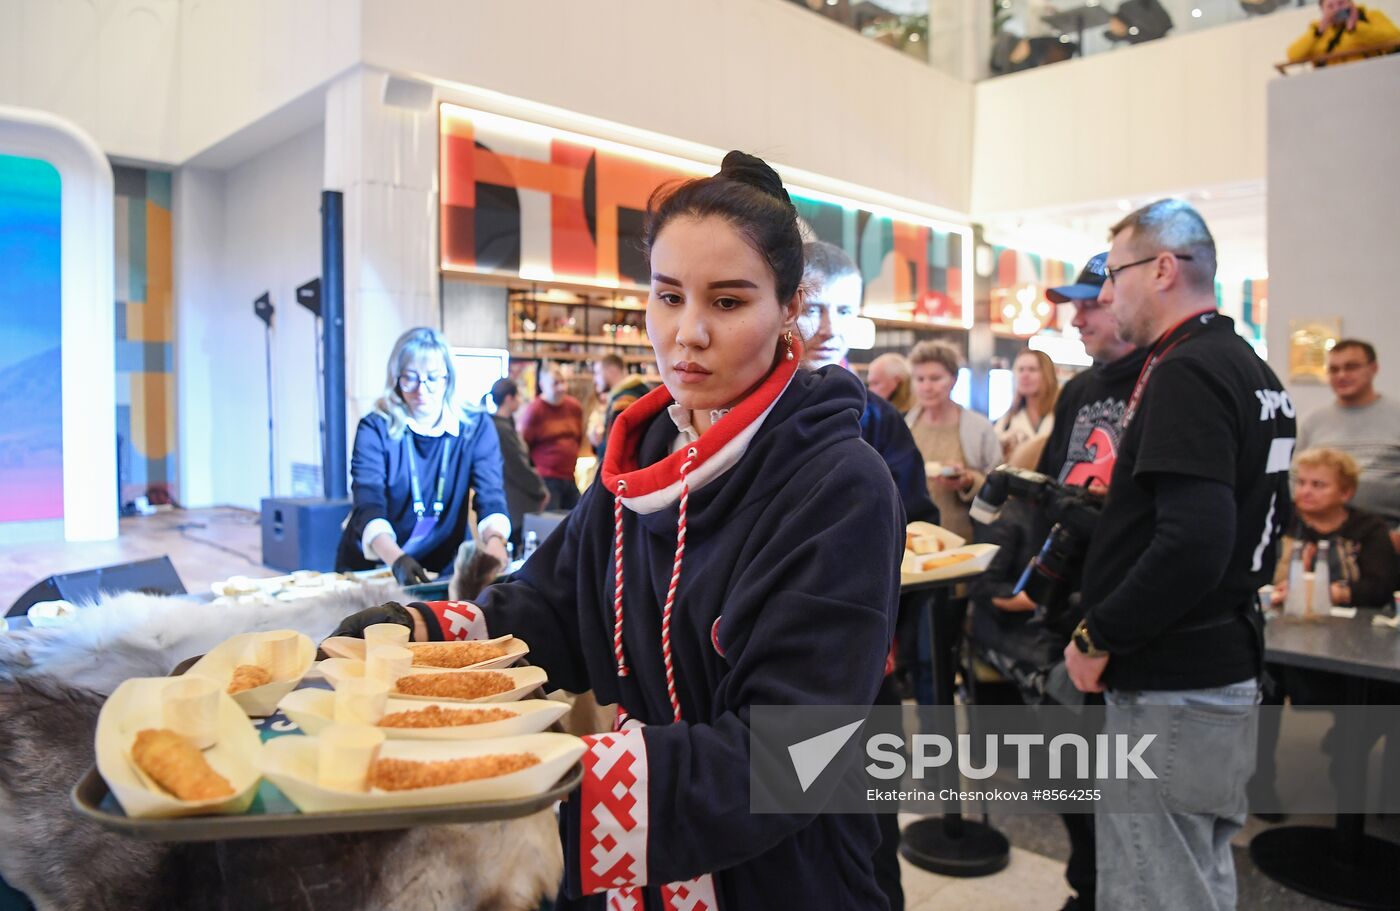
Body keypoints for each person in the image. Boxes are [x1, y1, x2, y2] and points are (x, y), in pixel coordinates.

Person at [330, 152, 904, 910]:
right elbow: (555, 606)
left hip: (775, 867)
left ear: (788, 308)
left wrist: (535, 795)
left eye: (728, 302)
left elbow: (789, 752)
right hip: (640, 857)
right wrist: (420, 631)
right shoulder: (647, 455)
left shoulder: (840, 484)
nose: (687, 333)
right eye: (669, 297)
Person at [1064, 200, 1295, 910]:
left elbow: (1195, 540)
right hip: (1218, 667)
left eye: (1115, 274)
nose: (1106, 294)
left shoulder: (1189, 371)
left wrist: (1097, 633)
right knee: (1193, 878)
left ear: (1163, 268)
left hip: (1173, 679)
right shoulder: (1251, 368)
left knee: (1154, 889)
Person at [972, 252, 1142, 911]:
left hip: (1134, 621)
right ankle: (1087, 886)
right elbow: (1059, 499)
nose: (1077, 317)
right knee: (1072, 776)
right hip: (1072, 615)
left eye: (1092, 303)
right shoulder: (1082, 389)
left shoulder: (1167, 384)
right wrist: (1038, 589)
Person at [801, 239, 938, 911]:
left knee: (869, 839)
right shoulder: (737, 416)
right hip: (764, 678)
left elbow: (922, 523)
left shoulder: (878, 419)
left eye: (845, 310)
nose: (828, 327)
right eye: (813, 307)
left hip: (864, 671)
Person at [336, 327, 511, 584]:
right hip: (376, 563)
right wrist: (396, 559)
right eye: (410, 378)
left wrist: (496, 545)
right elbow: (368, 502)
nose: (421, 389)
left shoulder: (475, 428)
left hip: (441, 565)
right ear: (395, 379)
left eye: (433, 377)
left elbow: (490, 495)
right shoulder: (376, 427)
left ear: (448, 378)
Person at [1296, 339, 1400, 550]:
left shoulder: (1396, 416)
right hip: (1320, 543)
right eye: (1334, 369)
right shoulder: (1314, 422)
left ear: (1374, 368)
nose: (1341, 375)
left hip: (1388, 540)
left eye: (1351, 367)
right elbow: (1293, 480)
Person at [1271, 448, 1399, 608]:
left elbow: (1381, 587)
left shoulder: (1369, 528)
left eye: (1318, 485)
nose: (1305, 491)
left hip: (1353, 623)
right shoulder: (1280, 519)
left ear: (1345, 492)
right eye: (1301, 482)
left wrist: (1326, 593)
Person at [904, 340, 1000, 543]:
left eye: (935, 378)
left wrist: (968, 480)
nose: (927, 387)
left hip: (961, 539)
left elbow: (998, 485)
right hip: (910, 540)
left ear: (954, 379)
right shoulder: (905, 426)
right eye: (920, 379)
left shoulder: (979, 428)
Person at [488, 377, 549, 555]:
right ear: (509, 398)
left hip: (513, 497)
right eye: (518, 396)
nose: (521, 401)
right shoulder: (501, 429)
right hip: (514, 500)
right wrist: (540, 489)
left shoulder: (500, 425)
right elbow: (518, 466)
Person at [520, 363, 584, 511]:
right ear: (543, 385)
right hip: (546, 480)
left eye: (563, 382)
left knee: (579, 519)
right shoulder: (534, 411)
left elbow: (578, 438)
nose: (562, 388)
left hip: (570, 476)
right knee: (551, 525)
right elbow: (524, 447)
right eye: (555, 383)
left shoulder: (574, 407)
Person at [1287, 0, 1400, 65]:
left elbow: (1395, 38)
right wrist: (1318, 33)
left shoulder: (1371, 16)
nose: (1336, 9)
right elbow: (1293, 55)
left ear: (1351, 3)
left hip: (1372, 79)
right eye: (1330, 6)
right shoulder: (1316, 32)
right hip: (1334, 88)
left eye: (1341, 3)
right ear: (1323, 11)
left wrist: (1355, 27)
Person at [994, 348, 1058, 460]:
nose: (1025, 375)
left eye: (1032, 370)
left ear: (1047, 374)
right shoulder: (1008, 419)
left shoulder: (1061, 412)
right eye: (1020, 370)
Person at [592, 353, 653, 467]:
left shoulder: (623, 402)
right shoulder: (636, 394)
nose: (595, 379)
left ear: (612, 370)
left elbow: (614, 450)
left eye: (597, 373)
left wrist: (599, 444)